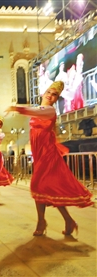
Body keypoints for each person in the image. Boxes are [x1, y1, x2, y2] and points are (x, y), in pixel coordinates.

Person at [5, 81, 93, 236]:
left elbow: (35, 112)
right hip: (40, 154)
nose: (51, 96)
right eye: (50, 92)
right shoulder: (41, 109)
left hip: (47, 155)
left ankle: (42, 221)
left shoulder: (49, 110)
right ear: (44, 92)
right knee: (48, 189)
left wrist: (15, 108)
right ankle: (67, 220)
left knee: (40, 185)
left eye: (55, 95)